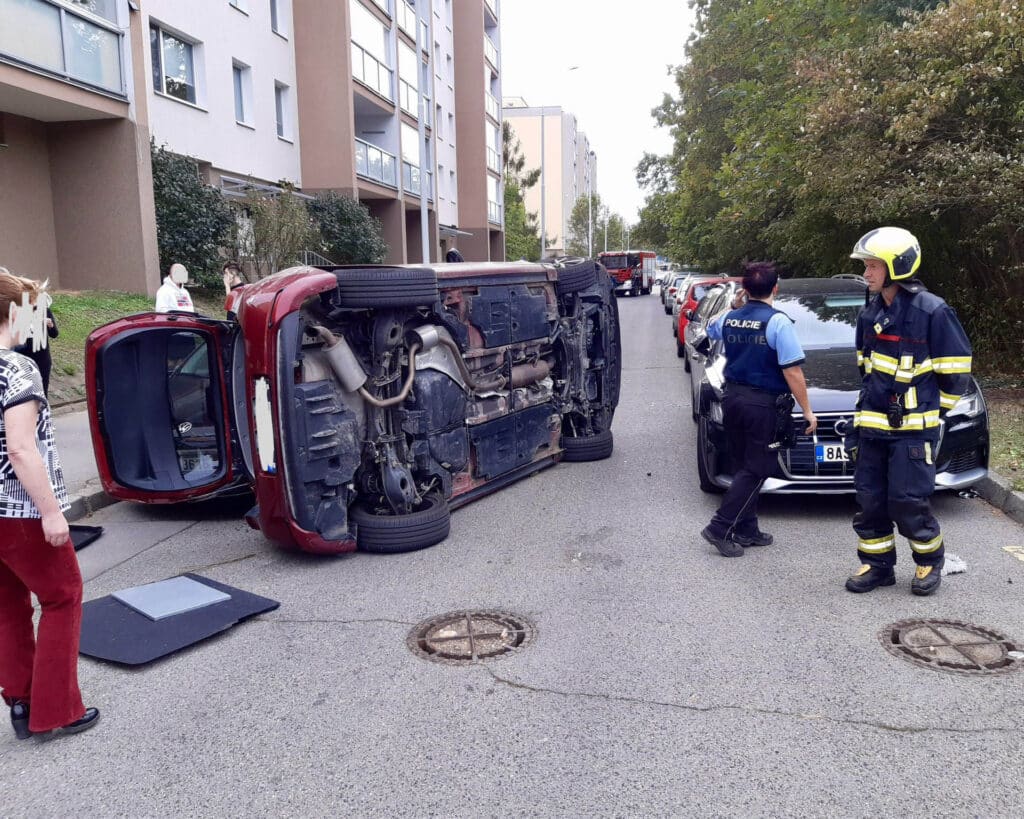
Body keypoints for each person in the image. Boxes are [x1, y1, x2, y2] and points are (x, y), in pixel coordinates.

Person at [843, 227, 972, 596]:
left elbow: (955, 375)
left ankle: (929, 561)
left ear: (896, 266)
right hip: (873, 428)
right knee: (871, 501)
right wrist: (862, 423)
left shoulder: (933, 310)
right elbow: (866, 371)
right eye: (866, 266)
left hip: (913, 432)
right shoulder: (870, 312)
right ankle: (877, 566)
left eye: (871, 266)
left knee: (907, 500)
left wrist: (928, 416)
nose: (866, 274)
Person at [0, 270, 100, 738]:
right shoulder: (16, 369)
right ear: (16, 312)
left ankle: (20, 703)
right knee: (63, 597)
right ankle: (57, 710)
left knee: (8, 607)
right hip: (18, 510)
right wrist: (52, 511)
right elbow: (21, 449)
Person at [700, 262, 817, 557]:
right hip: (762, 403)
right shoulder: (778, 322)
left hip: (733, 399)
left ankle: (746, 528)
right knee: (759, 467)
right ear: (775, 288)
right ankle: (720, 527)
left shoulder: (730, 317)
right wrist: (807, 410)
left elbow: (710, 329)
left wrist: (735, 304)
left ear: (746, 289)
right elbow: (792, 371)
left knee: (743, 464)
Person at [13, 299, 58, 396]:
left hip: (43, 359)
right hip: (23, 360)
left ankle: (42, 410)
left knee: (42, 391)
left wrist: (50, 325)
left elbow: (54, 334)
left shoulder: (45, 310)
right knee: (23, 392)